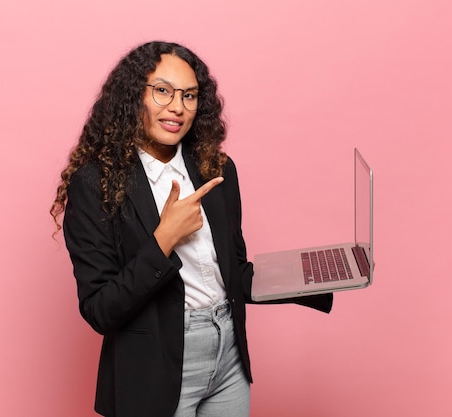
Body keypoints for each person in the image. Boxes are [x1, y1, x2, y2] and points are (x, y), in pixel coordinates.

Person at [50, 41, 333, 417]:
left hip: (228, 355)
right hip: (156, 365)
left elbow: (234, 272)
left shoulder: (215, 168)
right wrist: (165, 238)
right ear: (134, 96)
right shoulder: (95, 183)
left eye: (189, 95)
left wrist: (321, 277)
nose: (177, 107)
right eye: (163, 91)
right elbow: (101, 309)